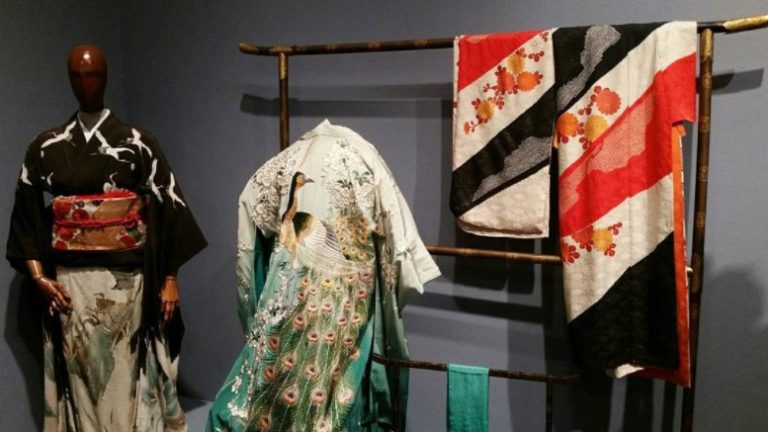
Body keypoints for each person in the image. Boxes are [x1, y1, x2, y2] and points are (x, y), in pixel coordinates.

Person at [6, 44, 207, 432]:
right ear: (69, 81)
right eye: (78, 77)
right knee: (80, 368)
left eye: (94, 75)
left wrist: (169, 276)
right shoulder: (45, 146)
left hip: (128, 280)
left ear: (106, 78)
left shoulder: (138, 142)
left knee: (126, 369)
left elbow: (169, 206)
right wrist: (38, 276)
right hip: (69, 284)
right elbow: (26, 214)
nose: (86, 84)